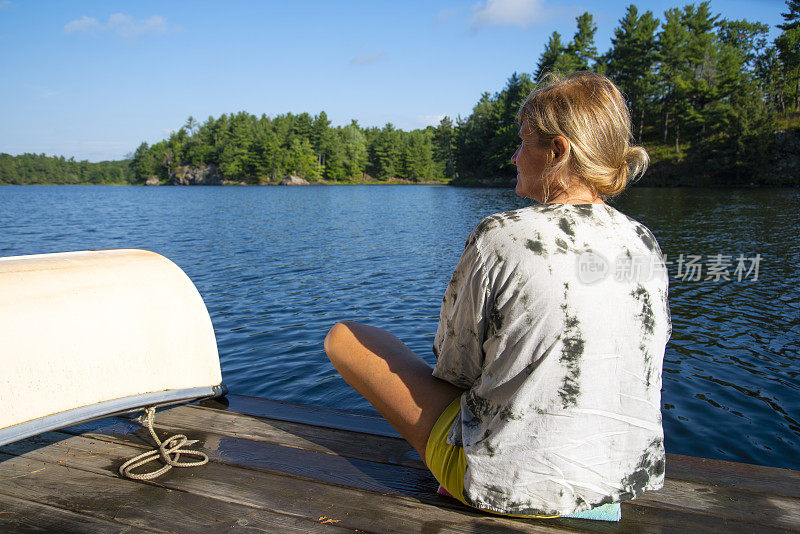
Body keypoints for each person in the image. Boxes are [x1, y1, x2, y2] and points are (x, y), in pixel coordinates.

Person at [324, 71, 671, 518]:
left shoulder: (504, 235)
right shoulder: (643, 241)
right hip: (616, 480)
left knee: (345, 337)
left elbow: (455, 370)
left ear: (559, 151)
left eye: (524, 142)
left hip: (509, 487)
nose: (513, 156)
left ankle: (476, 476)